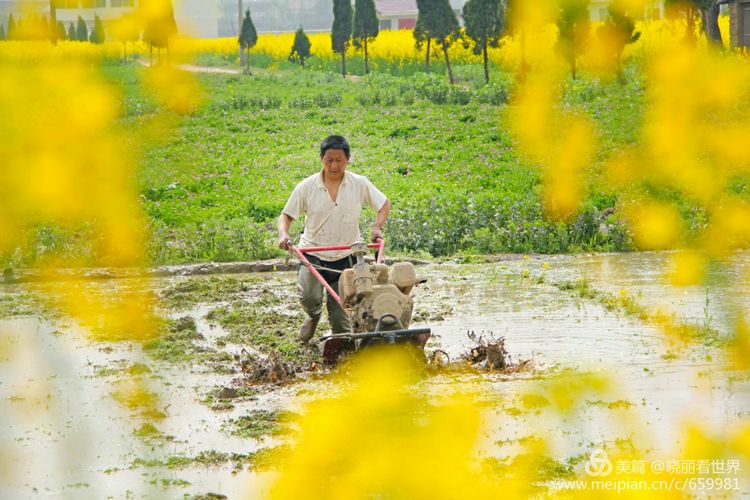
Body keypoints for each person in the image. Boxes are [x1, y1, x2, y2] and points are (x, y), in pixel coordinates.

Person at [277, 135, 391, 342]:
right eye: (329, 160)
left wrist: (376, 228)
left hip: (346, 255)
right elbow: (286, 216)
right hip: (312, 254)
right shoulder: (306, 186)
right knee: (309, 298)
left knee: (341, 316)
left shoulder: (359, 183)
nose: (334, 165)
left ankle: (341, 347)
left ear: (348, 159)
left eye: (339, 160)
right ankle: (313, 317)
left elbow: (384, 204)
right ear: (321, 159)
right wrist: (284, 234)